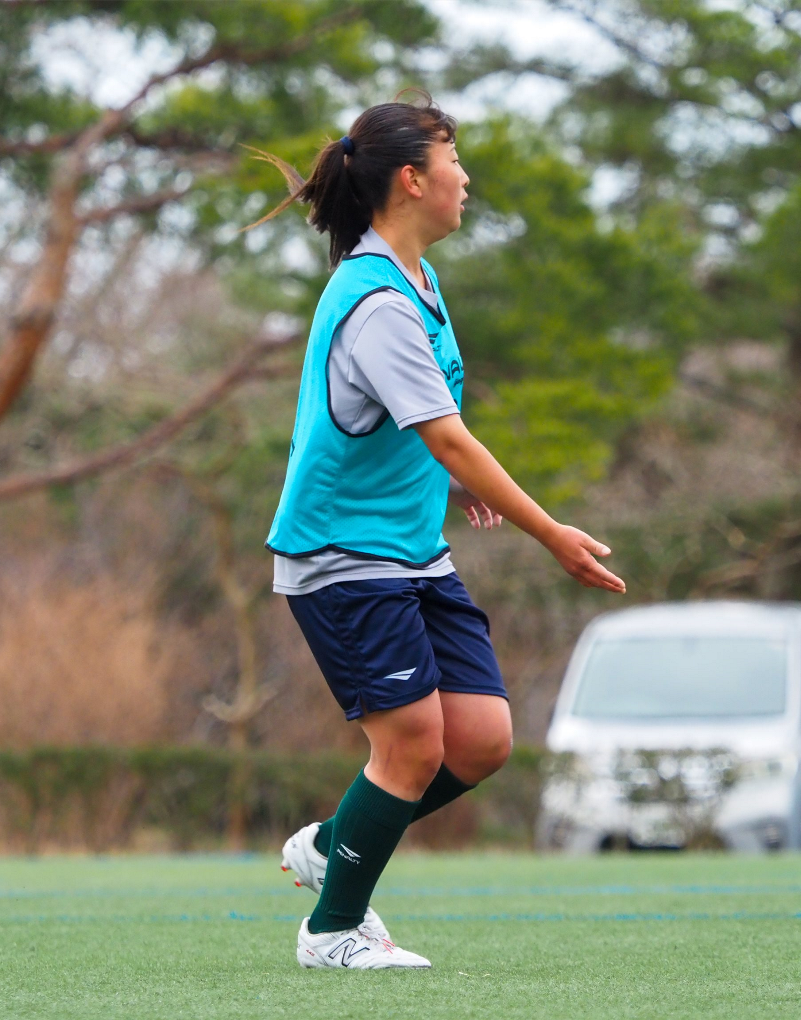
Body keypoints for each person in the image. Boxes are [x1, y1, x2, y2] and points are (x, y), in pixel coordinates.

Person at [254, 93, 626, 969]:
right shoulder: (376, 299)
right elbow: (448, 434)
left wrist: (451, 484)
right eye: (454, 158)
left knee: (484, 739)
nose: (467, 176)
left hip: (409, 552)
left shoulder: (417, 279)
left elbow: (421, 430)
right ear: (413, 179)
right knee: (412, 745)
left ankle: (331, 842)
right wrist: (552, 533)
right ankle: (333, 929)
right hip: (340, 555)